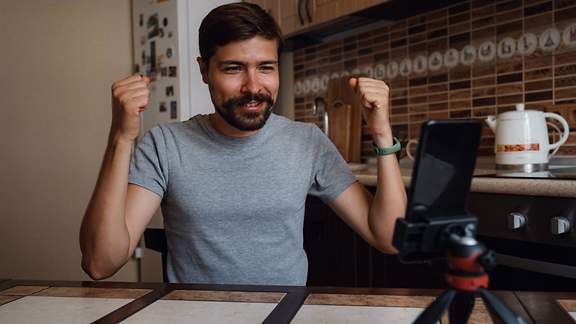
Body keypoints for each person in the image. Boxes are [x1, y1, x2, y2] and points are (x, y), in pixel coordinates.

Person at [80, 2, 407, 285]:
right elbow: (100, 263)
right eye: (234, 69)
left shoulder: (307, 142)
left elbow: (388, 238)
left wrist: (381, 134)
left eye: (266, 68)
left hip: (284, 314)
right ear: (204, 70)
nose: (253, 86)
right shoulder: (165, 145)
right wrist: (121, 138)